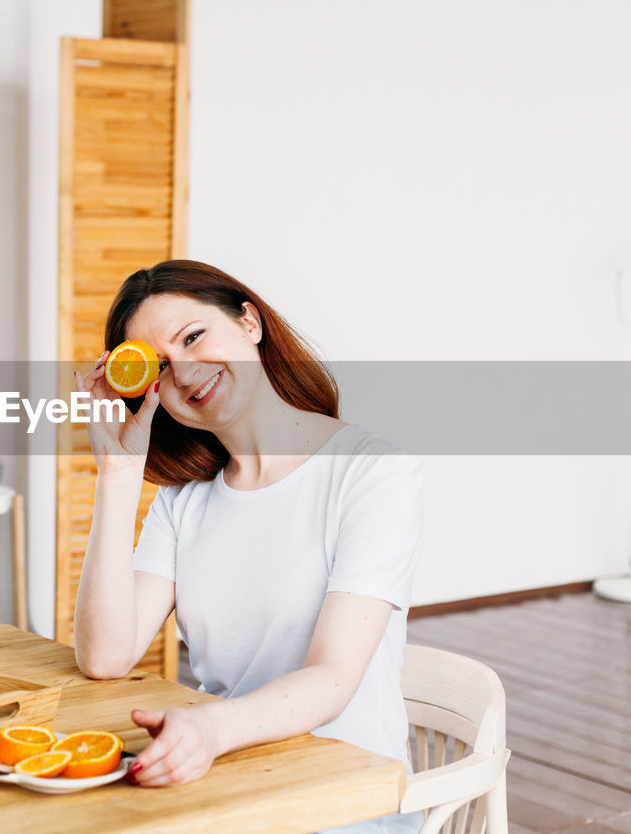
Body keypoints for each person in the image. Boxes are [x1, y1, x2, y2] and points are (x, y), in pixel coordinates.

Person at [72, 260, 424, 833]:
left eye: (193, 337)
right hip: (228, 788)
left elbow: (333, 676)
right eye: (159, 365)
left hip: (345, 802)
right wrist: (117, 474)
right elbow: (105, 655)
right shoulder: (184, 501)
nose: (184, 372)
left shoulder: (370, 471)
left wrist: (211, 729)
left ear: (249, 322)